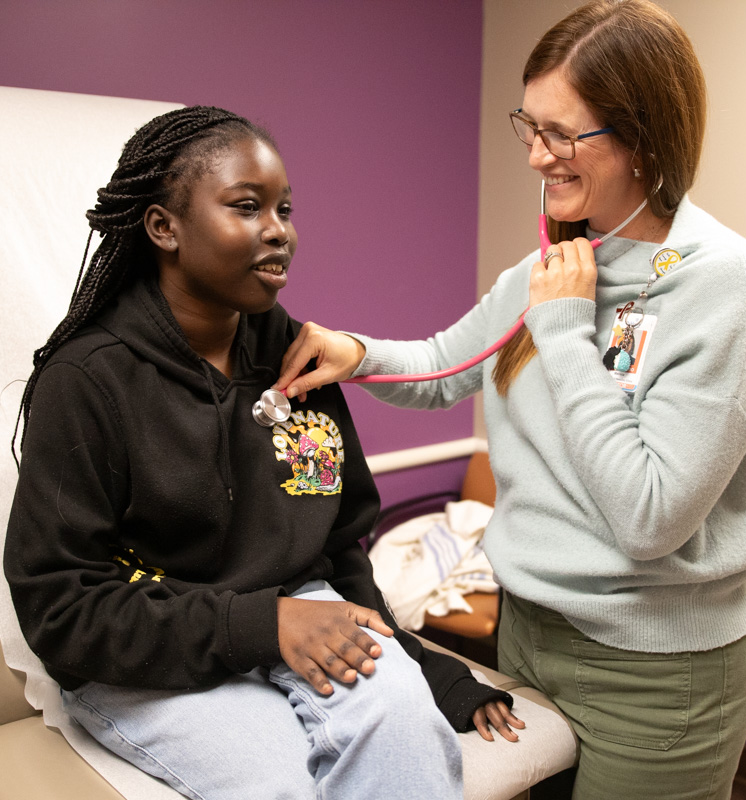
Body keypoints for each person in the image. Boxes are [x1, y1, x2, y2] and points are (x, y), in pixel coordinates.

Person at [273, 2, 746, 798]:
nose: (536, 157)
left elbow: (651, 517)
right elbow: (450, 364)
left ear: (644, 137)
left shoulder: (726, 285)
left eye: (563, 135)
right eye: (530, 126)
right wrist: (356, 354)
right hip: (526, 637)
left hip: (657, 677)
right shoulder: (550, 267)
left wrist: (562, 330)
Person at [3, 105, 525, 800]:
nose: (279, 231)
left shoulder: (297, 360)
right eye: (247, 208)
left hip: (304, 610)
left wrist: (430, 671)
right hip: (145, 655)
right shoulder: (88, 380)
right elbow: (61, 611)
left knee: (412, 739)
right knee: (285, 787)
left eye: (284, 208)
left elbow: (341, 549)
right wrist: (263, 624)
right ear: (164, 228)